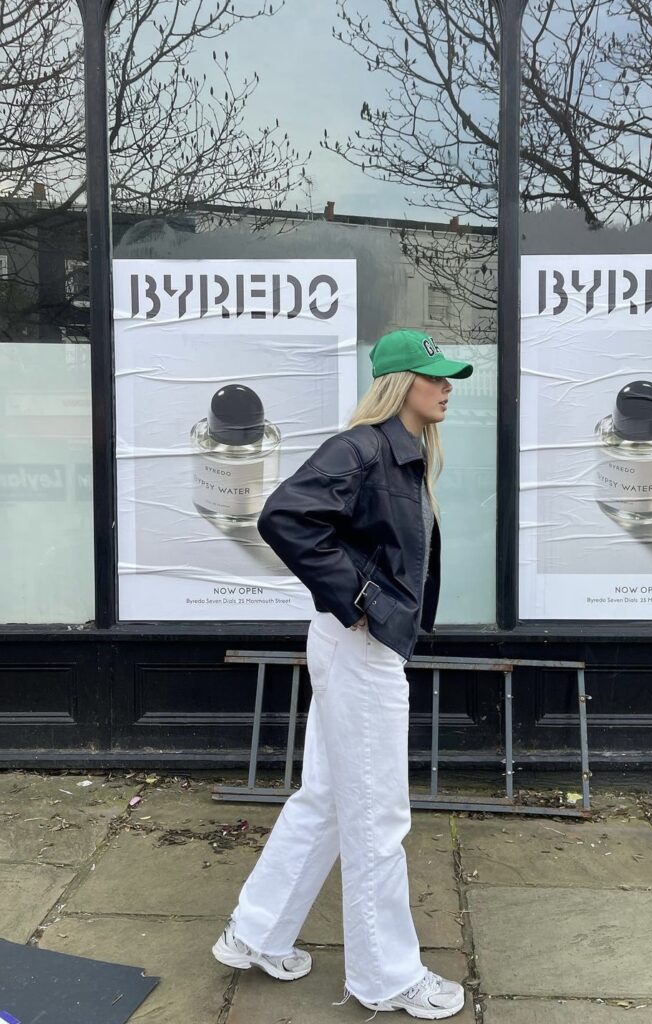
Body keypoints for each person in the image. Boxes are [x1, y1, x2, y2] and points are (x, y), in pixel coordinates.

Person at [212, 329, 474, 1019]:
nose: (447, 387)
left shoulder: (405, 453)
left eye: (449, 378)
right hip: (358, 647)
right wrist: (361, 601)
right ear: (399, 383)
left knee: (329, 798)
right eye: (435, 376)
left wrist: (366, 606)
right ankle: (386, 978)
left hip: (354, 643)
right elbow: (286, 517)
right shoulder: (361, 448)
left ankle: (255, 931)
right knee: (376, 817)